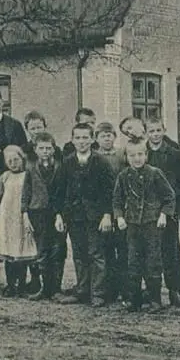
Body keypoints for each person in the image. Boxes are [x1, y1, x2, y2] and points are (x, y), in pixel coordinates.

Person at [113, 139, 177, 313]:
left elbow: (169, 197)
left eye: (140, 154)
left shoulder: (155, 174)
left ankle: (155, 300)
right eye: (132, 155)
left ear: (146, 155)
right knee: (133, 262)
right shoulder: (123, 176)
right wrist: (119, 217)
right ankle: (135, 300)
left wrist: (163, 214)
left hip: (152, 225)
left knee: (153, 261)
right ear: (126, 157)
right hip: (132, 226)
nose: (137, 158)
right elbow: (117, 200)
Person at [57, 123, 114, 307]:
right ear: (72, 140)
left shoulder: (101, 162)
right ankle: (82, 291)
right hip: (75, 217)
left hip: (96, 217)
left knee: (96, 253)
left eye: (85, 137)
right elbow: (60, 191)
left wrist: (107, 215)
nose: (81, 142)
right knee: (79, 254)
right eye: (78, 138)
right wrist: (60, 215)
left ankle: (98, 293)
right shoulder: (67, 162)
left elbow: (109, 192)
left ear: (92, 139)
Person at [144, 120, 180, 307]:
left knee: (170, 249)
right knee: (149, 250)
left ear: (164, 130)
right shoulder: (142, 153)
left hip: (169, 208)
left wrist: (173, 202)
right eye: (151, 131)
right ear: (146, 133)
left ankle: (174, 290)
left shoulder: (174, 154)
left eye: (158, 130)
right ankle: (151, 291)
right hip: (146, 209)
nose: (155, 134)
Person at [24, 131, 66, 301]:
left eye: (48, 148)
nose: (45, 151)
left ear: (54, 149)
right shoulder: (30, 168)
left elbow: (62, 192)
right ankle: (45, 288)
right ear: (35, 150)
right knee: (42, 251)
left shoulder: (60, 167)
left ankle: (56, 289)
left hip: (57, 214)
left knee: (58, 249)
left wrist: (60, 214)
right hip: (37, 213)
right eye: (41, 148)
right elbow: (26, 192)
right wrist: (25, 214)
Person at [0, 145, 38, 297]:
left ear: (22, 158)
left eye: (16, 159)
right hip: (6, 218)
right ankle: (10, 284)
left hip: (21, 217)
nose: (13, 163)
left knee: (21, 251)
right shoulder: (4, 177)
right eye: (9, 161)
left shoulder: (27, 175)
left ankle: (22, 284)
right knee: (8, 251)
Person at [95, 122, 129, 304]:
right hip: (102, 208)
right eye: (103, 135)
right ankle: (108, 289)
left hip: (121, 206)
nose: (107, 138)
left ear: (115, 137)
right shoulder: (95, 156)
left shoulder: (121, 155)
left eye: (109, 135)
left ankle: (125, 288)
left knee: (123, 248)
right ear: (96, 139)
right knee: (105, 249)